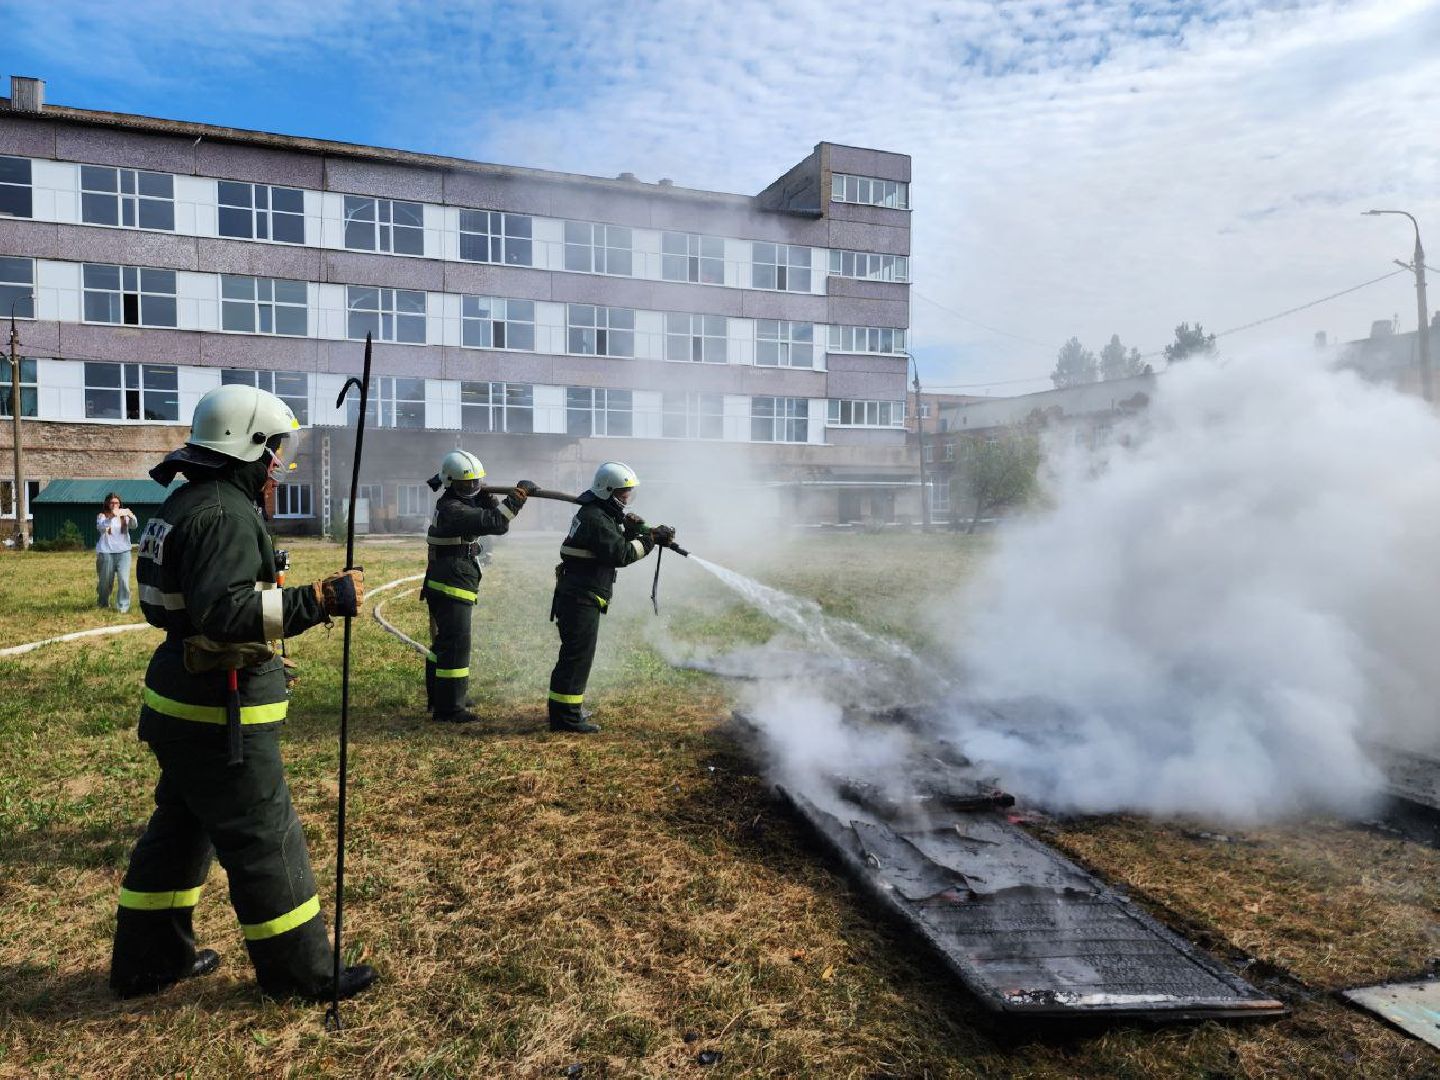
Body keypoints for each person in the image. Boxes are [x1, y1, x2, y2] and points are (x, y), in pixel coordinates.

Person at [109, 382, 375, 1003]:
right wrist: (322, 599)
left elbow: (199, 612)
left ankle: (149, 961)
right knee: (264, 837)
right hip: (216, 714)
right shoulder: (224, 514)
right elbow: (227, 612)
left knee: (178, 833)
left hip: (184, 699)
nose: (279, 462)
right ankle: (301, 975)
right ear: (248, 444)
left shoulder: (187, 503)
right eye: (275, 449)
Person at [547, 461, 675, 734]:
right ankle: (565, 718)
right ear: (606, 491)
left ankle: (567, 711)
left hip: (581, 593)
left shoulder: (600, 514)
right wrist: (650, 539)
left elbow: (611, 543)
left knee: (576, 656)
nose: (627, 498)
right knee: (576, 657)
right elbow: (620, 554)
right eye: (622, 493)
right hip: (580, 596)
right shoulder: (596, 518)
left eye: (629, 492)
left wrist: (636, 530)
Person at [423, 449, 537, 724]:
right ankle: (449, 709)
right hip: (451, 581)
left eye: (476, 483)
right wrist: (516, 499)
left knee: (445, 642)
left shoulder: (457, 502)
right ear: (451, 483)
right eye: (466, 484)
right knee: (456, 644)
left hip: (449, 577)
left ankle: (443, 697)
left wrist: (487, 497)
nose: (472, 488)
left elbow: (492, 516)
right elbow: (497, 523)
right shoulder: (453, 509)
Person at [96, 492, 138, 613]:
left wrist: (131, 515)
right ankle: (103, 603)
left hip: (124, 552)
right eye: (112, 502)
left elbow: (134, 526)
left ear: (120, 504)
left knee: (123, 580)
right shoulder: (102, 516)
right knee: (105, 582)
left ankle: (123, 607)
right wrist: (111, 517)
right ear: (107, 504)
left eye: (117, 503)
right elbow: (101, 528)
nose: (115, 505)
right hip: (106, 552)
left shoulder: (123, 515)